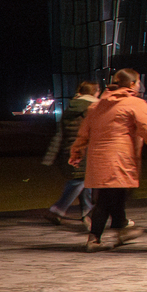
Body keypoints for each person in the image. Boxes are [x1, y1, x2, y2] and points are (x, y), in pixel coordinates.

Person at [70, 69, 147, 252]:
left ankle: (121, 228)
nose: (140, 85)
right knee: (107, 199)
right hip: (120, 158)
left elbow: (84, 132)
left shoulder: (97, 106)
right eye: (139, 82)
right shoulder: (135, 103)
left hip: (99, 159)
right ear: (132, 84)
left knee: (116, 195)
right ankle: (95, 239)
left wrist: (76, 151)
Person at [43, 81, 99, 225]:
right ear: (94, 92)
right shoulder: (93, 107)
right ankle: (58, 210)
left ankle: (87, 213)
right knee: (79, 181)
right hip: (85, 151)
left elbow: (59, 134)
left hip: (70, 150)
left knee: (85, 181)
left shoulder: (70, 108)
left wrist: (51, 155)